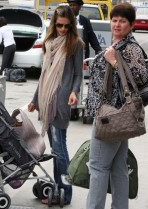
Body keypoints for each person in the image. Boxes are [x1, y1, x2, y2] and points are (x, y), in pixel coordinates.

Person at [84, 3, 148, 209]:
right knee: (118, 167)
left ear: (131, 25)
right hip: (114, 116)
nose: (117, 25)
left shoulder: (130, 48)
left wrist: (113, 62)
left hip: (111, 117)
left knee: (98, 168)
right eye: (114, 20)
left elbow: (140, 77)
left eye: (122, 21)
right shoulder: (118, 45)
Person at [28, 5, 84, 205]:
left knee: (60, 151)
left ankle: (65, 193)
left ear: (72, 26)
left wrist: (74, 92)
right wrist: (35, 100)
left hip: (60, 103)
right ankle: (58, 189)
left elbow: (78, 73)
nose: (62, 29)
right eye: (59, 25)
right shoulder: (49, 42)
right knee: (56, 151)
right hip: (46, 101)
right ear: (54, 23)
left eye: (67, 26)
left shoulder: (76, 44)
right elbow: (44, 75)